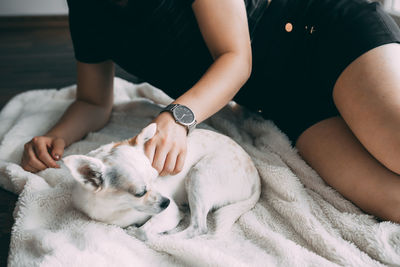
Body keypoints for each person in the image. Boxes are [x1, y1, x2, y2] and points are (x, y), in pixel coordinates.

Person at [20, 0, 400, 223]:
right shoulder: (88, 8)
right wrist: (59, 135)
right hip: (286, 104)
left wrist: (179, 116)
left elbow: (236, 58)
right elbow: (92, 100)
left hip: (322, 33)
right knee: (392, 201)